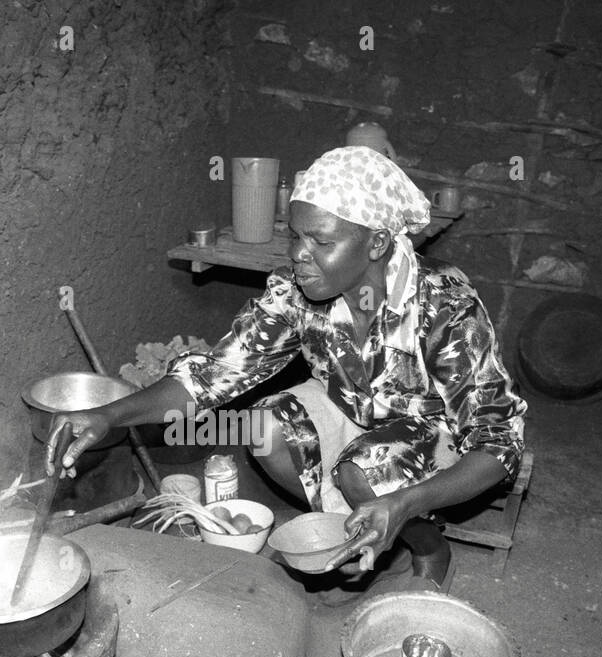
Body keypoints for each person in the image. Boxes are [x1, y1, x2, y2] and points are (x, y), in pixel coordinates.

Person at [47, 146, 526, 588]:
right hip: (350, 408)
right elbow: (212, 376)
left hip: (434, 428)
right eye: (295, 236)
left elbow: (497, 444)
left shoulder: (444, 306)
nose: (299, 254)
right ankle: (350, 524)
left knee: (362, 471)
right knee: (261, 427)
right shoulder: (296, 294)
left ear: (377, 243)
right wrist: (109, 415)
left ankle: (427, 544)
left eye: (320, 240)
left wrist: (404, 502)